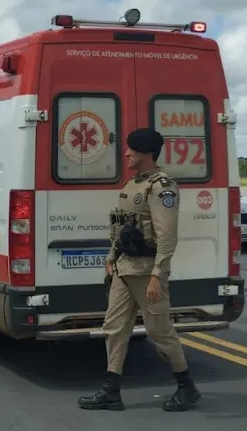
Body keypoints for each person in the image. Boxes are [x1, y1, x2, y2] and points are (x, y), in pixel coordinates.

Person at [78, 127, 200, 413]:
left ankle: (186, 387)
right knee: (114, 328)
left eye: (131, 149)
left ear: (147, 153)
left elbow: (166, 235)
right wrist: (111, 256)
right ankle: (111, 390)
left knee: (159, 332)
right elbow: (123, 227)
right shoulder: (134, 184)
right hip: (124, 268)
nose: (127, 153)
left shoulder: (161, 187)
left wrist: (158, 274)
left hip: (147, 272)